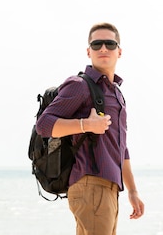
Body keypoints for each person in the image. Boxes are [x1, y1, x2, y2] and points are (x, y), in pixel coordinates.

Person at [36, 22, 145, 234]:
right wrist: (86, 125)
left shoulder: (116, 94)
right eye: (96, 44)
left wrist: (132, 190)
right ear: (88, 51)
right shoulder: (80, 85)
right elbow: (44, 125)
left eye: (109, 44)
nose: (103, 49)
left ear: (119, 51)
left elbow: (121, 147)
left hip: (110, 189)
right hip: (91, 185)